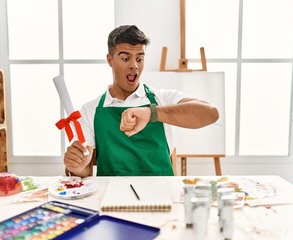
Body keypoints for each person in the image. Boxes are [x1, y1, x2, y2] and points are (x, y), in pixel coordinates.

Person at [64, 25, 219, 177]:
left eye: (140, 58)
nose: (134, 65)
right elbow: (85, 171)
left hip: (161, 195)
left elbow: (210, 113)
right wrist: (76, 166)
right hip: (112, 196)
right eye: (125, 58)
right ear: (110, 59)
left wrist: (151, 113)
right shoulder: (90, 110)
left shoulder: (161, 98)